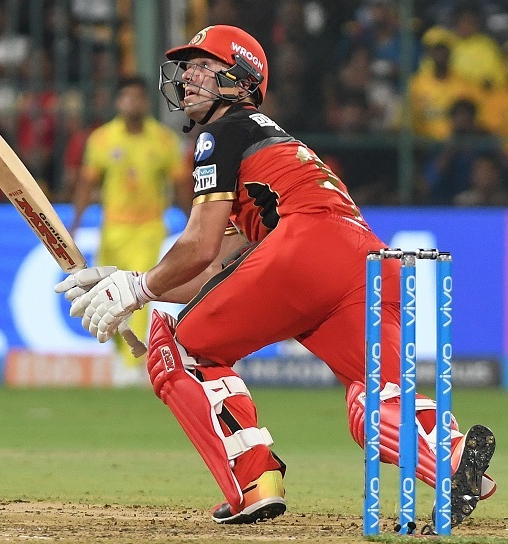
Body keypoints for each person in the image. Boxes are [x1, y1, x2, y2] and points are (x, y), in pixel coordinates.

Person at [55, 25, 497, 528]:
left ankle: (254, 480)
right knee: (373, 395)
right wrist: (132, 281)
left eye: (205, 66)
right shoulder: (273, 142)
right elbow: (221, 268)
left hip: (304, 247)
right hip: (368, 262)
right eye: (189, 67)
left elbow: (199, 245)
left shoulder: (222, 132)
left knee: (178, 343)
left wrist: (141, 290)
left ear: (240, 80)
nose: (190, 77)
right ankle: (455, 459)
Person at [69, 75, 188, 368]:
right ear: (118, 102)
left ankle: (132, 366)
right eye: (127, 97)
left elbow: (181, 183)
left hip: (147, 227)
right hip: (112, 228)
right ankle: (119, 356)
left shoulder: (163, 140)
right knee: (104, 293)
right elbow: (87, 183)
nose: (132, 103)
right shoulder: (102, 139)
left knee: (134, 293)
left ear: (146, 102)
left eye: (138, 97)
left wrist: (190, 218)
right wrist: (76, 220)